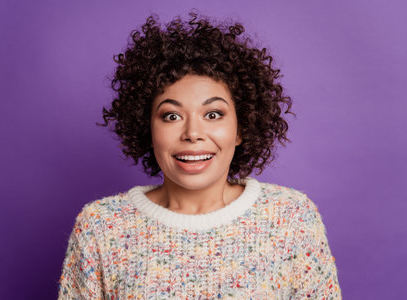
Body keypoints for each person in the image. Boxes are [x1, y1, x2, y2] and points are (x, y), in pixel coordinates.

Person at [58, 13, 341, 299]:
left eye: (213, 114)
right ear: (149, 130)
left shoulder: (291, 218)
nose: (193, 132)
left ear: (240, 128)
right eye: (171, 116)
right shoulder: (101, 227)